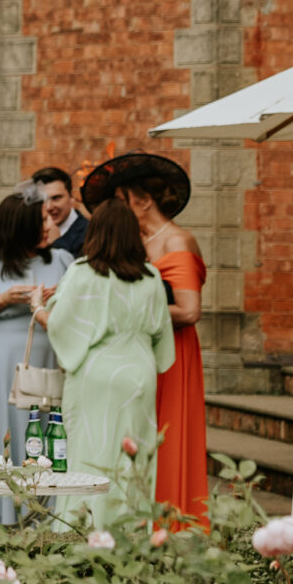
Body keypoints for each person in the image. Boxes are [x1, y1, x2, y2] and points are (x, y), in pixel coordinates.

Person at [84, 154, 207, 522]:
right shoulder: (138, 241)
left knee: (166, 435)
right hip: (139, 351)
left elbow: (188, 310)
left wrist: (128, 312)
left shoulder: (177, 241)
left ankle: (170, 519)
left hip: (174, 354)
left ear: (143, 200)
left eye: (120, 201)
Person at [40, 201, 174, 527]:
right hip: (139, 373)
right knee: (134, 459)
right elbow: (161, 332)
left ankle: (83, 532)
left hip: (96, 373)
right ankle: (129, 534)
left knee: (89, 454)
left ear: (95, 232)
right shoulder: (152, 276)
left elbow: (61, 325)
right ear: (133, 234)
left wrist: (36, 308)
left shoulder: (83, 271)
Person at [0, 192, 72, 522]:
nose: (51, 224)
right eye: (43, 219)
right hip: (1, 362)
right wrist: (5, 299)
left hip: (48, 360)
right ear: (21, 226)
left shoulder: (61, 260)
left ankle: (44, 517)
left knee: (48, 430)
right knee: (2, 431)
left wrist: (52, 301)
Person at [34, 166, 86, 255]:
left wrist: (57, 244)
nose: (49, 207)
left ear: (71, 197)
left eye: (56, 198)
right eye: (42, 200)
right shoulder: (29, 230)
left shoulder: (90, 232)